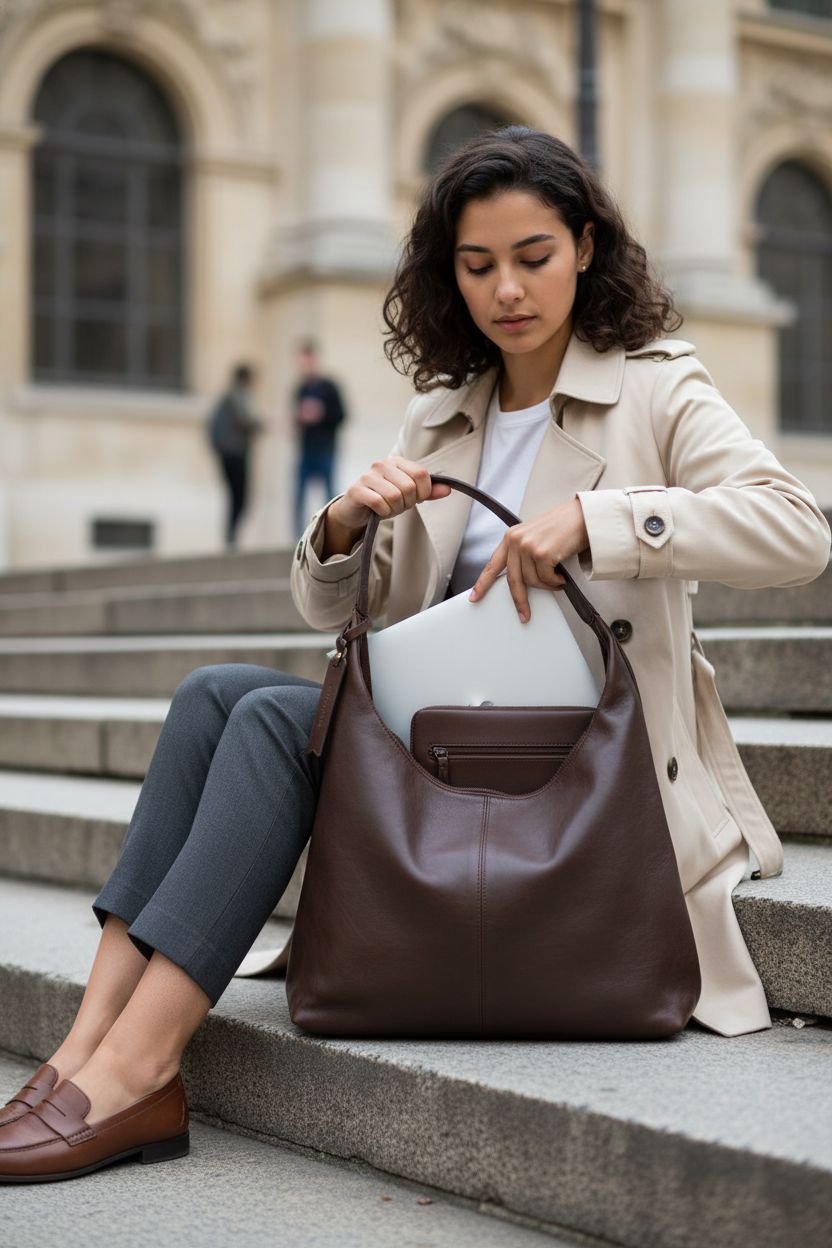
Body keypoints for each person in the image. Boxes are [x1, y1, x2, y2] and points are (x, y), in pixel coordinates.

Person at [1, 126, 829, 1183]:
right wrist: (344, 524)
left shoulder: (656, 387)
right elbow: (350, 616)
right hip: (446, 733)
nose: (507, 290)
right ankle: (80, 1056)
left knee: (263, 719)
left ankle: (141, 1065)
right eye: (476, 266)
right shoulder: (444, 410)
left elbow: (797, 530)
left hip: (583, 767)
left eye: (533, 257)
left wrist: (603, 519)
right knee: (216, 694)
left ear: (583, 246)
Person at [292, 339, 347, 539]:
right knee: (298, 498)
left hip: (326, 449)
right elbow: (296, 420)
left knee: (330, 498)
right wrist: (299, 418)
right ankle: (298, 540)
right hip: (306, 450)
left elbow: (342, 415)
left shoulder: (329, 387)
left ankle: (331, 537)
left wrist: (320, 413)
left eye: (306, 360)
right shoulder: (300, 389)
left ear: (314, 359)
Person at [207, 362, 264, 548]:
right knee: (240, 497)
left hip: (228, 453)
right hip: (236, 454)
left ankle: (231, 536)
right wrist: (263, 424)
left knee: (235, 497)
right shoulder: (237, 396)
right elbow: (247, 421)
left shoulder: (228, 397)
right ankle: (231, 537)